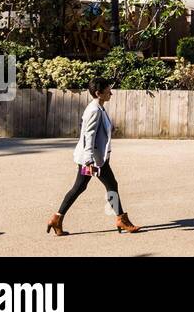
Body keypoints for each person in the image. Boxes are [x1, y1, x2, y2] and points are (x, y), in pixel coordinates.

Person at [47, 78, 140, 236]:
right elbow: (87, 136)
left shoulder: (98, 108)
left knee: (81, 187)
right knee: (110, 185)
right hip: (93, 160)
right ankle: (121, 219)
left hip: (95, 158)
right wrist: (89, 160)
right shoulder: (94, 110)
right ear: (98, 93)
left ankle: (57, 218)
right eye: (107, 90)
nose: (111, 92)